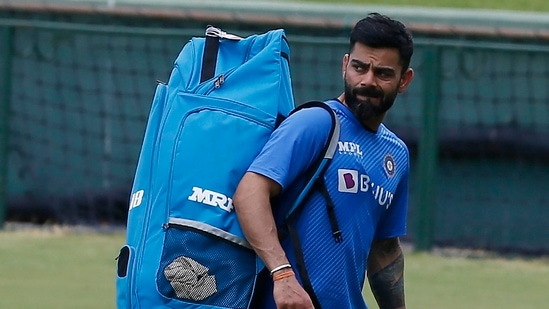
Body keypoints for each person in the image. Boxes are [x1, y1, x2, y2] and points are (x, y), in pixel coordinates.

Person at [233, 12, 415, 309]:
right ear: (345, 65)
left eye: (382, 73)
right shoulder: (316, 123)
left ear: (404, 80)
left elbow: (384, 250)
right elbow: (250, 193)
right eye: (359, 67)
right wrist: (283, 276)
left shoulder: (396, 153)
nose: (367, 80)